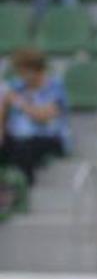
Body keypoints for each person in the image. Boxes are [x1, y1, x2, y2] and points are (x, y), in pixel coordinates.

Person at [0, 48, 71, 186]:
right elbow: (4, 111)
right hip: (17, 139)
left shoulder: (55, 87)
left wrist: (19, 102)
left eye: (23, 71)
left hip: (48, 138)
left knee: (23, 148)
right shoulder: (17, 87)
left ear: (35, 70)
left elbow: (44, 116)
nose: (20, 75)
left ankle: (25, 187)